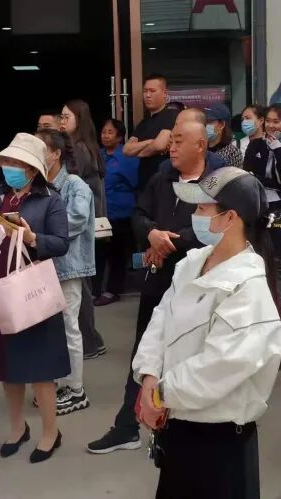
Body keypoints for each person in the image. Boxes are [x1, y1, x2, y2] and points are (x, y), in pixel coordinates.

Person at [133, 167, 281, 498]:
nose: (195, 215)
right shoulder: (192, 263)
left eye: (203, 208)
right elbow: (161, 320)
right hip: (178, 424)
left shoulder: (249, 289)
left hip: (219, 443)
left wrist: (159, 395)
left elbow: (220, 366)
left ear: (230, 218)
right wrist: (149, 375)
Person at [87, 120, 207, 455]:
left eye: (179, 141)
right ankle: (127, 425)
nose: (172, 147)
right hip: (157, 280)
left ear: (200, 145)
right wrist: (152, 233)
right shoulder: (162, 178)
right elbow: (139, 213)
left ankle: (185, 430)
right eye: (171, 141)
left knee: (189, 356)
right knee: (144, 352)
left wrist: (170, 242)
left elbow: (212, 229)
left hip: (196, 286)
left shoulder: (216, 183)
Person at [0, 133, 70, 463]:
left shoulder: (50, 200)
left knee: (40, 367)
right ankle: (17, 428)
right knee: (6, 365)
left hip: (30, 290)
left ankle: (50, 432)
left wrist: (33, 237)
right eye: (7, 161)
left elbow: (61, 243)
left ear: (32, 169)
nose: (9, 167)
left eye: (17, 163)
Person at [37, 129, 94, 415]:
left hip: (68, 267)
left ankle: (76, 389)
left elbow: (77, 220)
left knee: (69, 327)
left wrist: (38, 234)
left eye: (41, 148)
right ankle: (58, 384)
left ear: (56, 153)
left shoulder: (74, 185)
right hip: (43, 265)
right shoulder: (38, 185)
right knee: (52, 329)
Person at [59, 100, 108, 359]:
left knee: (80, 286)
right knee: (83, 284)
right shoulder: (86, 145)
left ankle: (88, 341)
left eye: (66, 117)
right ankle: (93, 339)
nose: (61, 121)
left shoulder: (78, 149)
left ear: (79, 119)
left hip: (80, 224)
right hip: (89, 222)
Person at [243, 103, 281, 306]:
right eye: (268, 121)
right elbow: (248, 174)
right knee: (254, 251)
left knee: (278, 254)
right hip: (256, 203)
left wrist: (278, 151)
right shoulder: (255, 144)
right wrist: (268, 181)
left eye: (277, 121)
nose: (271, 125)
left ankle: (279, 299)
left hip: (278, 206)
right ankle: (256, 298)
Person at [93, 118, 138, 310]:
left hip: (121, 212)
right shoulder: (97, 155)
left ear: (120, 137)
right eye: (104, 131)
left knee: (117, 254)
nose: (105, 135)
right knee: (98, 252)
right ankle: (95, 290)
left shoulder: (128, 158)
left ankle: (112, 290)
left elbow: (136, 183)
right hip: (100, 213)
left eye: (110, 132)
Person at [124, 74, 180, 191]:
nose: (148, 95)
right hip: (144, 185)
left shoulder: (171, 115)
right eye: (145, 91)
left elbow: (160, 145)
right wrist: (150, 142)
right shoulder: (144, 122)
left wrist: (139, 151)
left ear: (165, 93)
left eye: (152, 91)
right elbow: (127, 150)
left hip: (164, 184)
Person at [157, 108, 226, 174]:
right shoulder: (165, 168)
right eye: (176, 124)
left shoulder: (217, 167)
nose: (177, 129)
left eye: (184, 125)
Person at [205, 102, 243, 168]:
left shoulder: (232, 153)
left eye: (209, 122)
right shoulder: (200, 148)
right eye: (204, 121)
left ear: (222, 124)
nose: (205, 125)